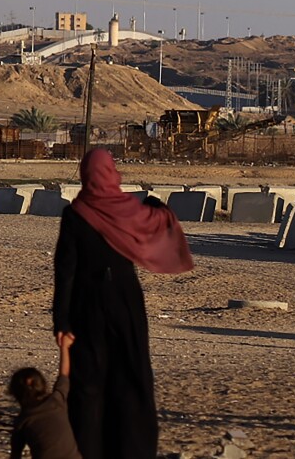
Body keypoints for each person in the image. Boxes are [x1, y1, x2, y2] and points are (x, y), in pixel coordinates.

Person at [53, 148, 193, 459]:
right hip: (125, 302)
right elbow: (158, 217)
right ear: (111, 173)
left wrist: (61, 322)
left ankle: (89, 449)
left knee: (88, 382)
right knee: (130, 374)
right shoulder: (128, 210)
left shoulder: (75, 214)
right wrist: (155, 202)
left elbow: (65, 271)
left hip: (85, 304)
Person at [8, 332, 81, 459]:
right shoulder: (57, 400)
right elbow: (64, 374)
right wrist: (64, 347)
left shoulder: (23, 421)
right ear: (43, 385)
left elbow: (15, 456)